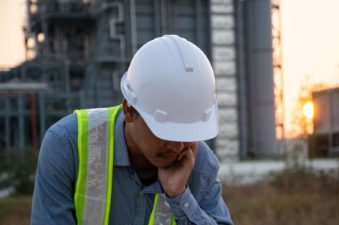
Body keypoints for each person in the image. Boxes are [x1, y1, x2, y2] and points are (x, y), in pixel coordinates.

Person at [31, 35, 233, 225]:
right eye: (166, 132)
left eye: (188, 134)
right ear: (129, 110)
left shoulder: (201, 165)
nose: (178, 146)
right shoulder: (67, 145)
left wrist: (180, 197)